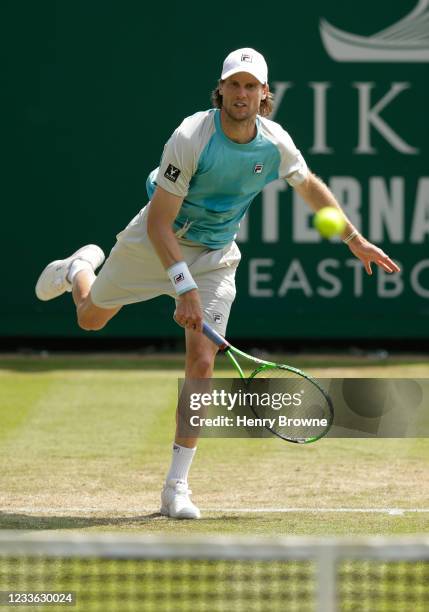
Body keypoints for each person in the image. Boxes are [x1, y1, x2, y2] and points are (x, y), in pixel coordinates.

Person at [35, 48, 400, 519]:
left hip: (215, 258)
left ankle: (176, 487)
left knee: (202, 362)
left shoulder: (275, 143)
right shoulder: (191, 136)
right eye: (235, 84)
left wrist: (354, 239)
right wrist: (182, 286)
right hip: (158, 241)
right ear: (221, 89)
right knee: (91, 319)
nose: (242, 94)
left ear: (265, 94)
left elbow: (309, 186)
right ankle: (78, 269)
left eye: (252, 86)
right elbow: (159, 224)